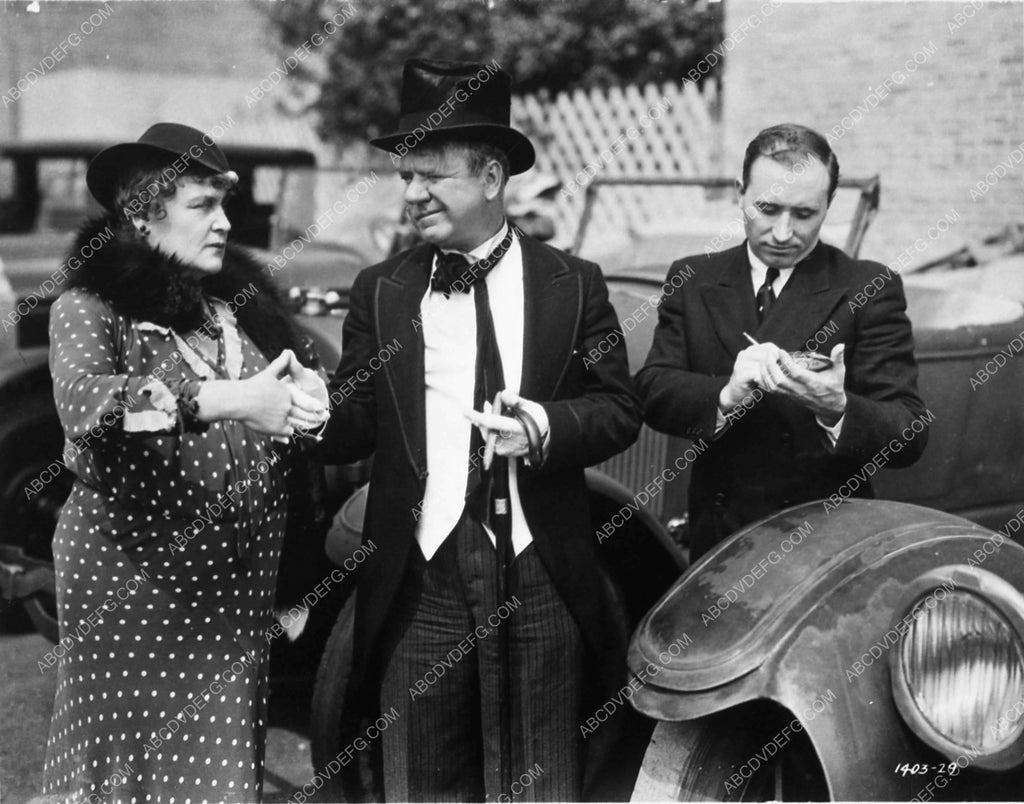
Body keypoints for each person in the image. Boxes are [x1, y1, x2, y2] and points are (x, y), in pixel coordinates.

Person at [316, 59, 640, 802]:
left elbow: (619, 408)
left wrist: (546, 426)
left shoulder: (573, 283)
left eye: (433, 175)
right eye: (406, 176)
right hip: (419, 576)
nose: (412, 193)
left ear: (492, 177)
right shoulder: (382, 290)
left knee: (539, 781)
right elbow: (356, 424)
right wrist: (307, 412)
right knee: (422, 778)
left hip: (541, 568)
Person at [42, 123, 328, 802]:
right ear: (142, 216)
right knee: (130, 776)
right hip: (133, 583)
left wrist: (309, 405)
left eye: (224, 205)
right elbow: (88, 406)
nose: (224, 223)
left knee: (221, 776)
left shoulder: (237, 310)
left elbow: (288, 403)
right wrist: (229, 399)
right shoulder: (89, 307)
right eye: (203, 206)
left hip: (236, 590)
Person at [636, 123, 928, 560]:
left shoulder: (868, 287)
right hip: (720, 543)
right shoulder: (693, 277)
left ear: (829, 205)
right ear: (740, 193)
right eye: (767, 209)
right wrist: (726, 394)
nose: (782, 233)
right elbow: (653, 390)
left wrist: (837, 408)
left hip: (822, 547)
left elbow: (910, 433)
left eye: (804, 214)